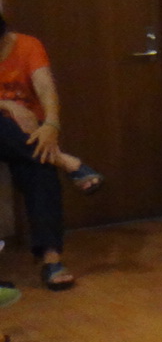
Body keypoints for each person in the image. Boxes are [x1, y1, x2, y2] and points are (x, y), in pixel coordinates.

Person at [0, 16, 100, 293]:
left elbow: (45, 86)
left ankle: (51, 259)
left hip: (29, 135)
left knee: (40, 168)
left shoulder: (28, 46)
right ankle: (65, 161)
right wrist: (7, 105)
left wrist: (52, 125)